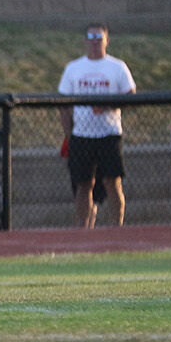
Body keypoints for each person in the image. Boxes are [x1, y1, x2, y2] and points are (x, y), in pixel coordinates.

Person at [58, 23, 136, 228]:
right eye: (90, 38)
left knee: (113, 182)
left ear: (106, 41)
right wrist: (70, 135)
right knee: (84, 185)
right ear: (85, 41)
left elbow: (131, 95)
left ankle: (115, 228)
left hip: (109, 134)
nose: (94, 42)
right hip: (82, 135)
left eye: (99, 38)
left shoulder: (117, 67)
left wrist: (107, 105)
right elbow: (63, 105)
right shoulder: (73, 68)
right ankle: (84, 229)